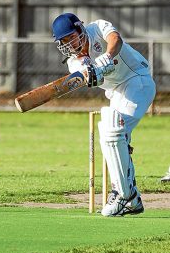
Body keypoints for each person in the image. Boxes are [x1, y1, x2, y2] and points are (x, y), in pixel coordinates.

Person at [52, 13, 156, 217]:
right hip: (117, 93)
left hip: (137, 79)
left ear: (80, 29)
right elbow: (88, 75)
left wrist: (106, 58)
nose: (69, 44)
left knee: (112, 130)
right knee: (109, 134)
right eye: (64, 41)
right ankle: (126, 194)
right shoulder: (74, 64)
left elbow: (115, 39)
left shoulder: (97, 28)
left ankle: (125, 196)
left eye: (70, 36)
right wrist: (91, 72)